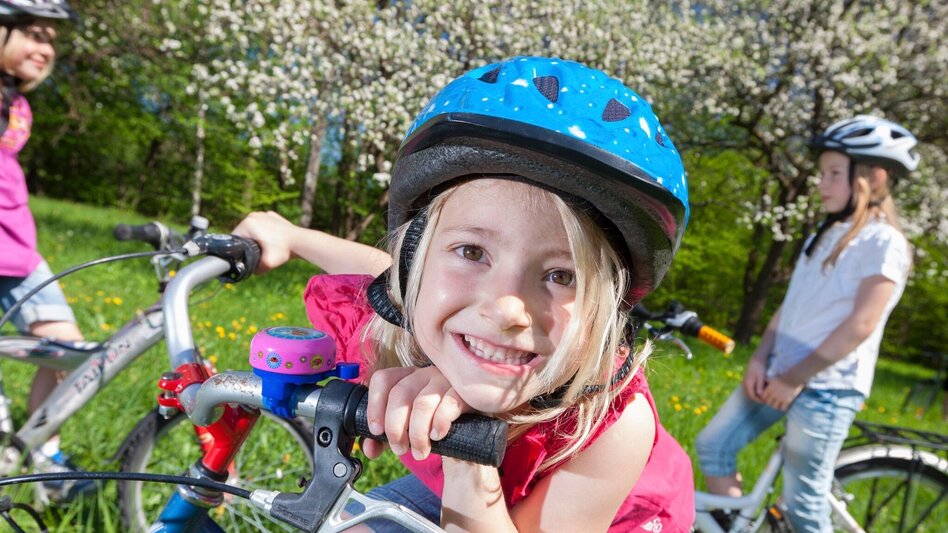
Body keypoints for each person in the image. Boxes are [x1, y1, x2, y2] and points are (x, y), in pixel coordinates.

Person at [235, 56, 695, 531]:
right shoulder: (409, 310)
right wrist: (289, 235)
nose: (505, 310)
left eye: (562, 276)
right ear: (415, 262)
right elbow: (377, 268)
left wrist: (468, 456)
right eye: (472, 251)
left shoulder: (615, 428)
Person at [695, 115, 917, 531]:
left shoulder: (883, 241)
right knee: (713, 445)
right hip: (780, 374)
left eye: (834, 174)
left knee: (802, 502)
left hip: (826, 388)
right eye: (822, 174)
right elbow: (790, 307)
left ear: (873, 176)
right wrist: (760, 359)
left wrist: (795, 377)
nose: (822, 184)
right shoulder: (825, 233)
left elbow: (862, 322)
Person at [0, 0, 94, 503]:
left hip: (17, 250)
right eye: (34, 35)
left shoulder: (16, 104)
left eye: (50, 40)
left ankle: (43, 457)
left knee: (68, 348)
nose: (45, 49)